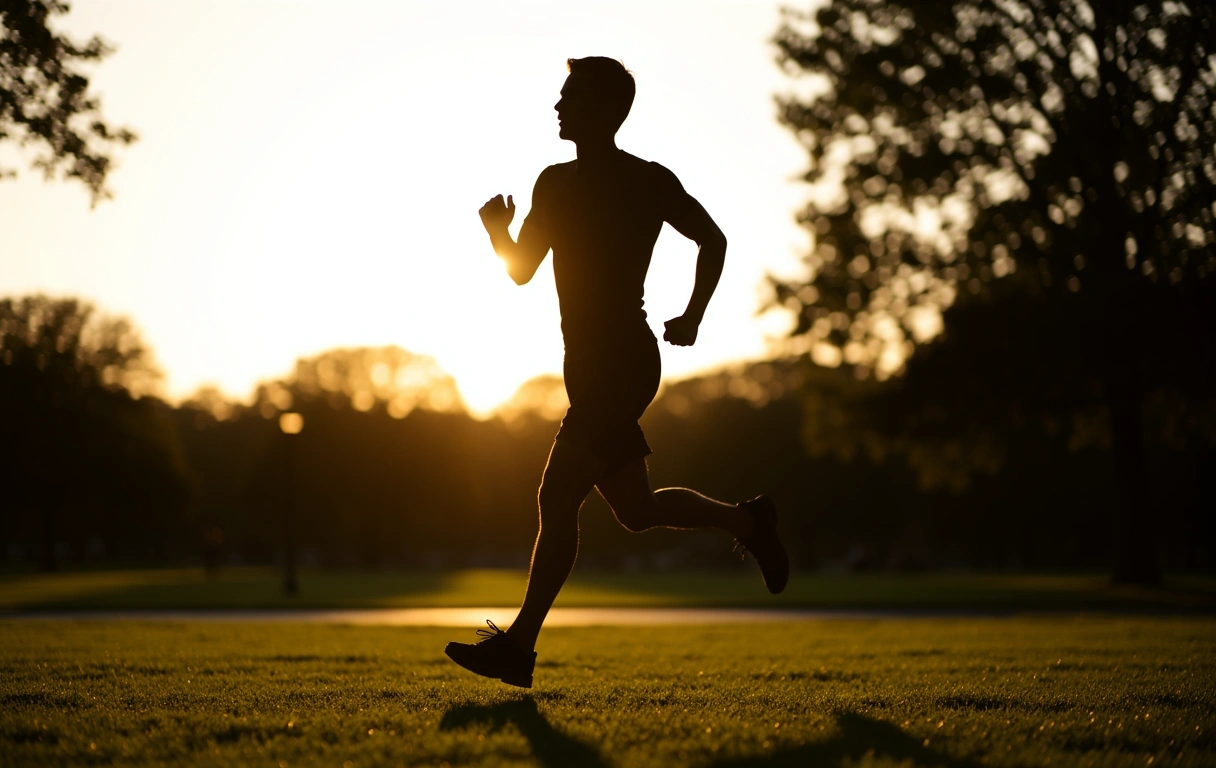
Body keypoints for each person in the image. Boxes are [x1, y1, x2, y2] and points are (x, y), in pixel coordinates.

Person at [445, 57, 787, 689]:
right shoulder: (552, 183)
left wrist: (692, 314)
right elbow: (522, 270)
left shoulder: (647, 181)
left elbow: (712, 240)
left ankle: (518, 646)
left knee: (555, 496)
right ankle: (748, 522)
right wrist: (499, 233)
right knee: (635, 508)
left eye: (569, 97)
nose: (556, 107)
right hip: (588, 364)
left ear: (607, 110)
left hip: (624, 359)